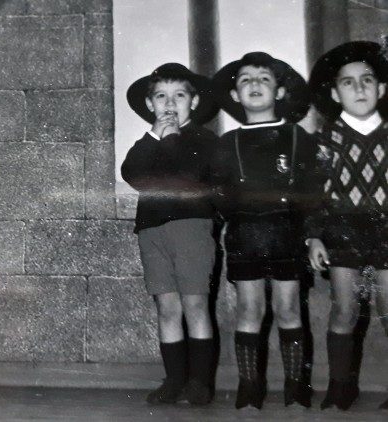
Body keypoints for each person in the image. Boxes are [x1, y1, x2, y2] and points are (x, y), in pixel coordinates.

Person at [211, 52, 318, 409]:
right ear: (236, 96)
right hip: (245, 235)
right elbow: (220, 193)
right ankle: (249, 388)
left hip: (287, 232)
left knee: (289, 308)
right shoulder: (228, 142)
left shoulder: (296, 136)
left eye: (264, 78)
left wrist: (312, 231)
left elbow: (311, 189)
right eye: (245, 80)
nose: (254, 84)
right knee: (248, 309)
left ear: (280, 92)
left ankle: (295, 387)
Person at [121, 63, 219, 405]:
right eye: (161, 96)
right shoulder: (146, 142)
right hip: (152, 229)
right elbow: (132, 173)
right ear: (151, 104)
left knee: (195, 303)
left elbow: (189, 173)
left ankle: (200, 383)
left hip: (191, 226)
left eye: (179, 95)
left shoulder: (204, 140)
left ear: (192, 101)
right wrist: (154, 137)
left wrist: (171, 137)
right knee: (167, 306)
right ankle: (174, 380)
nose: (170, 104)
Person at [306, 40, 388, 411]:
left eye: (367, 80)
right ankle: (340, 386)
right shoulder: (325, 141)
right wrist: (314, 237)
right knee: (344, 309)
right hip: (343, 231)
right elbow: (315, 194)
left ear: (382, 89)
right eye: (348, 82)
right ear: (336, 93)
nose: (359, 88)